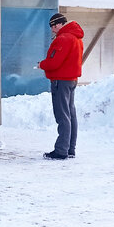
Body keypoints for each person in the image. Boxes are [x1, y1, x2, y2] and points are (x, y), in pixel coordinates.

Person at [38, 12, 84, 160]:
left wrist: (41, 65)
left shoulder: (63, 39)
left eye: (53, 26)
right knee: (70, 115)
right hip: (71, 80)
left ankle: (61, 150)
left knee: (62, 115)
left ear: (59, 24)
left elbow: (54, 62)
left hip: (61, 81)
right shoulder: (77, 38)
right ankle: (70, 149)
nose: (52, 30)